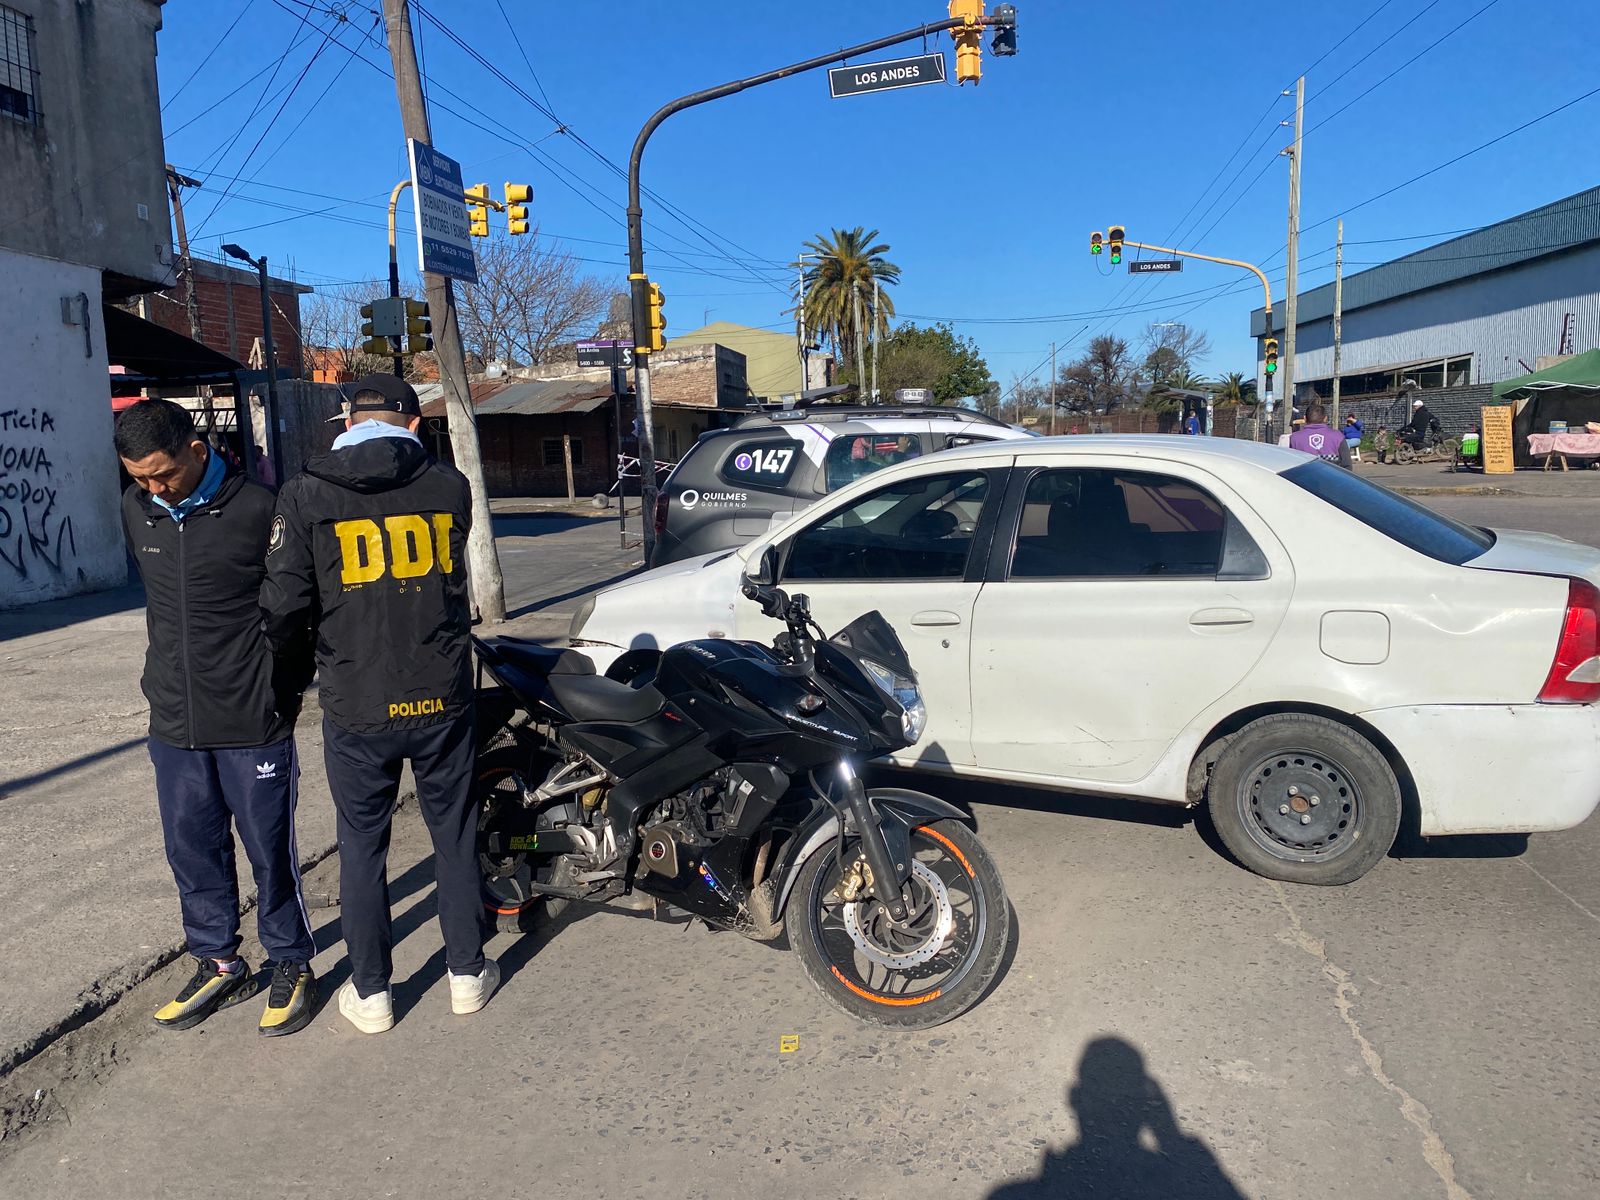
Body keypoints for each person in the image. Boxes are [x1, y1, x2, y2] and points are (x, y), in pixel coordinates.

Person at [261, 374, 495, 1035]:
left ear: (346, 421)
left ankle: (372, 993)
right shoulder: (450, 485)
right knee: (453, 835)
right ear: (414, 424)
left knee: (362, 845)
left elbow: (283, 608)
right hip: (440, 694)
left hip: (356, 700)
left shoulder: (306, 492)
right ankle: (467, 974)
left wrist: (294, 681)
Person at [114, 399, 318, 1037]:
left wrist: (276, 690)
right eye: (136, 477)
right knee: (191, 849)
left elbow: (297, 612)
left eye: (161, 473)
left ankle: (289, 961)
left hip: (251, 717)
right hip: (174, 719)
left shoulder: (260, 511)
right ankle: (218, 960)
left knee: (268, 851)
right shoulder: (136, 509)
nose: (151, 488)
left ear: (195, 448)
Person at [1288, 402, 1353, 468]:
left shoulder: (1294, 438)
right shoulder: (1338, 436)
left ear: (1305, 419)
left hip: (1303, 477)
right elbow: (1347, 465)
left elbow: (1291, 464)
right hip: (1331, 477)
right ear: (1325, 418)